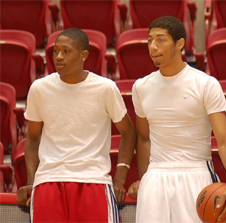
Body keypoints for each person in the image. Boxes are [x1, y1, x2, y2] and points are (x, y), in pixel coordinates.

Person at [127, 16, 226, 223]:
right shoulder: (141, 87)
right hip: (155, 177)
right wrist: (144, 177)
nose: (153, 46)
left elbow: (225, 140)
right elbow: (144, 139)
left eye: (161, 40)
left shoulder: (205, 84)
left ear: (180, 43)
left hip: (196, 173)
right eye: (149, 40)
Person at [16, 28, 136, 222]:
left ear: (84, 55)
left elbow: (129, 133)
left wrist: (120, 179)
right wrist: (32, 180)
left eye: (66, 51)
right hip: (48, 181)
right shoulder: (39, 88)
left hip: (94, 181)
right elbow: (32, 137)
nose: (59, 57)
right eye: (56, 51)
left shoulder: (105, 88)